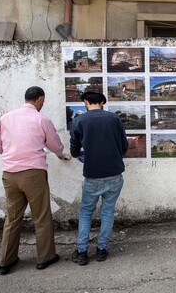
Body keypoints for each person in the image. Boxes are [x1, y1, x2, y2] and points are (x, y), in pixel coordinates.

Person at [0, 86, 69, 275]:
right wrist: (60, 154)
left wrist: (12, 153)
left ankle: (6, 262)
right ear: (40, 100)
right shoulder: (42, 119)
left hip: (9, 174)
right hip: (33, 173)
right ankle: (45, 258)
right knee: (41, 216)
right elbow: (55, 145)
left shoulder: (5, 118)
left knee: (12, 218)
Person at [69, 92, 128, 265]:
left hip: (93, 175)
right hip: (115, 174)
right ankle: (102, 250)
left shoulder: (79, 121)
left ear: (86, 102)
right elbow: (124, 145)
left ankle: (82, 253)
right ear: (102, 102)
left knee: (86, 213)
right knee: (108, 212)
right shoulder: (114, 119)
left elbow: (74, 150)